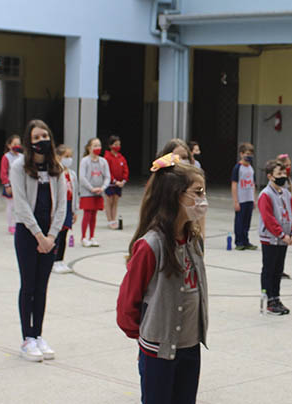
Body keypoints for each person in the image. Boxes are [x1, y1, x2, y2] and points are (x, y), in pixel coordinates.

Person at [116, 153, 209, 404]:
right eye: (197, 193)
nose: (203, 200)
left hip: (191, 347)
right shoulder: (150, 246)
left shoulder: (194, 240)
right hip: (159, 352)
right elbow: (127, 304)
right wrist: (144, 338)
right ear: (177, 196)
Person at [10, 120, 67, 362]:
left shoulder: (57, 168)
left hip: (50, 235)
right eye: (36, 137)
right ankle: (27, 338)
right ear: (29, 141)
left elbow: (63, 205)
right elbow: (21, 204)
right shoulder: (19, 166)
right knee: (29, 285)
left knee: (42, 287)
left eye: (44, 135)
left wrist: (52, 236)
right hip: (28, 234)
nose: (41, 140)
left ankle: (39, 334)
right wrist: (38, 235)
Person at [258, 160, 292, 315]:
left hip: (285, 239)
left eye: (284, 173)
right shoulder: (265, 195)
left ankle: (276, 297)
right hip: (271, 239)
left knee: (278, 270)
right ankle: (269, 299)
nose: (283, 176)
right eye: (279, 174)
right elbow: (269, 219)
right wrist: (282, 234)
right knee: (269, 269)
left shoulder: (286, 194)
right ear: (270, 176)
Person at [79, 138, 110, 247]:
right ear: (89, 148)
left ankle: (92, 236)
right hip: (88, 193)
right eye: (95, 146)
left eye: (99, 145)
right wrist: (91, 188)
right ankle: (83, 237)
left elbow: (107, 176)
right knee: (87, 214)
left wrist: (103, 187)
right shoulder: (85, 161)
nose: (97, 148)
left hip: (99, 192)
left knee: (94, 215)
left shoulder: (103, 161)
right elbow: (82, 177)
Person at [52, 145, 79, 274]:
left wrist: (75, 210)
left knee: (64, 235)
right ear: (58, 157)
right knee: (56, 235)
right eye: (66, 157)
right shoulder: (56, 172)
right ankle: (53, 260)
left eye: (70, 157)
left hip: (69, 206)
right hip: (59, 208)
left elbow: (75, 192)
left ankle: (60, 260)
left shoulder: (72, 174)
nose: (69, 159)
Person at [232, 143, 257, 251]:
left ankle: (246, 241)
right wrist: (236, 201)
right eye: (247, 153)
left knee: (247, 221)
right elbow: (234, 184)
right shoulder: (238, 167)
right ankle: (239, 241)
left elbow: (253, 184)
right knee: (240, 221)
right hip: (241, 199)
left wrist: (254, 199)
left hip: (249, 198)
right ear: (241, 154)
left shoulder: (251, 168)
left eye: (251, 154)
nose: (249, 156)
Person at [103, 135, 128, 230]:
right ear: (110, 145)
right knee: (109, 201)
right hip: (110, 183)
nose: (117, 146)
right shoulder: (107, 157)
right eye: (115, 144)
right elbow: (107, 171)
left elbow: (125, 169)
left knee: (115, 201)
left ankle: (114, 219)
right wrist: (114, 181)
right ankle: (110, 220)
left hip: (119, 183)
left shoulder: (121, 157)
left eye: (119, 144)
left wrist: (123, 180)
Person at [1, 134, 23, 234]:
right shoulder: (6, 157)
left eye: (19, 144)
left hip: (20, 185)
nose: (17, 146)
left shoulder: (22, 157)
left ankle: (19, 223)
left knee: (20, 206)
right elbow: (3, 173)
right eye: (15, 144)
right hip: (10, 184)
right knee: (11, 206)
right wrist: (7, 185)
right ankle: (11, 225)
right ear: (9, 145)